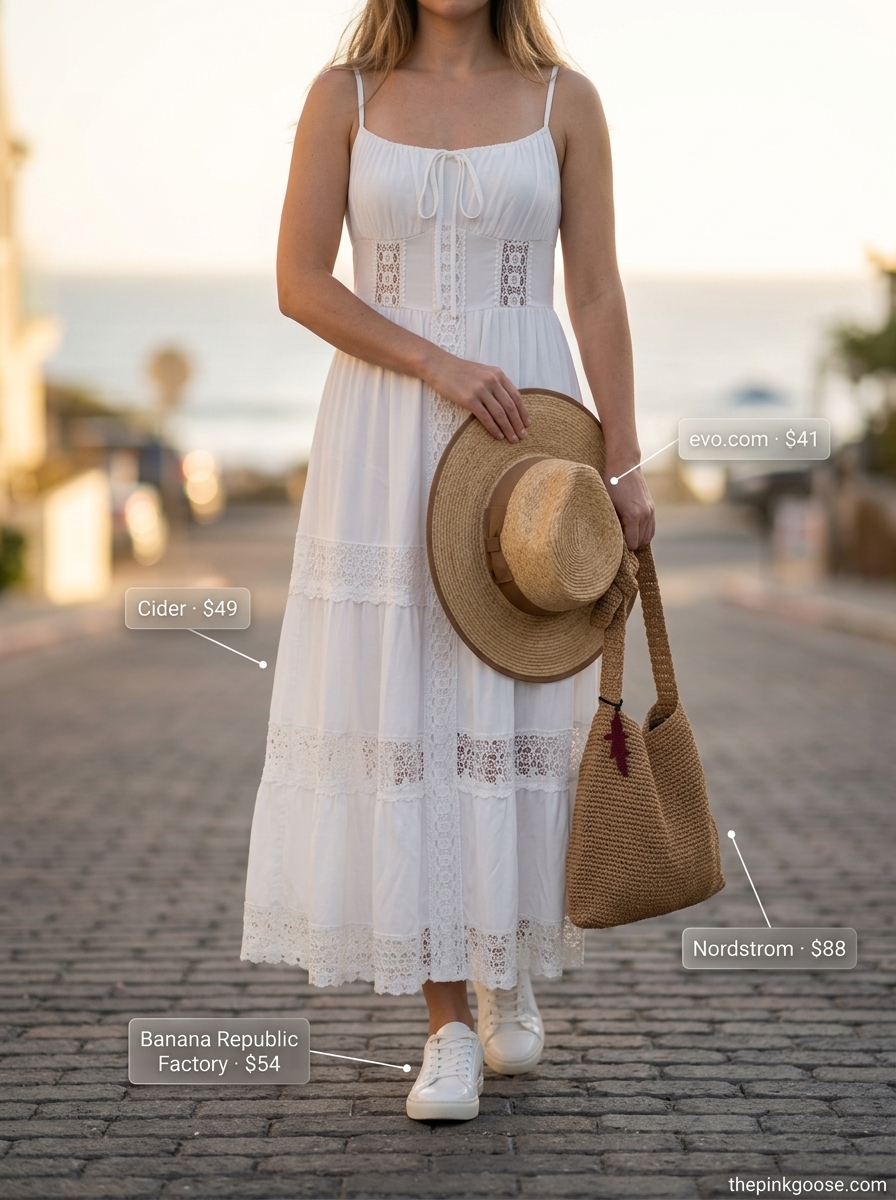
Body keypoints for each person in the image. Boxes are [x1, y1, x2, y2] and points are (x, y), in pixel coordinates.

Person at [242, 0, 655, 1121]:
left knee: (514, 694)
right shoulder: (344, 97)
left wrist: (621, 464)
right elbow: (299, 280)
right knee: (410, 712)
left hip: (524, 435)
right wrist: (431, 358)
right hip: (386, 432)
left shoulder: (568, 101)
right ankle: (447, 1026)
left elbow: (597, 290)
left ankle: (506, 961)